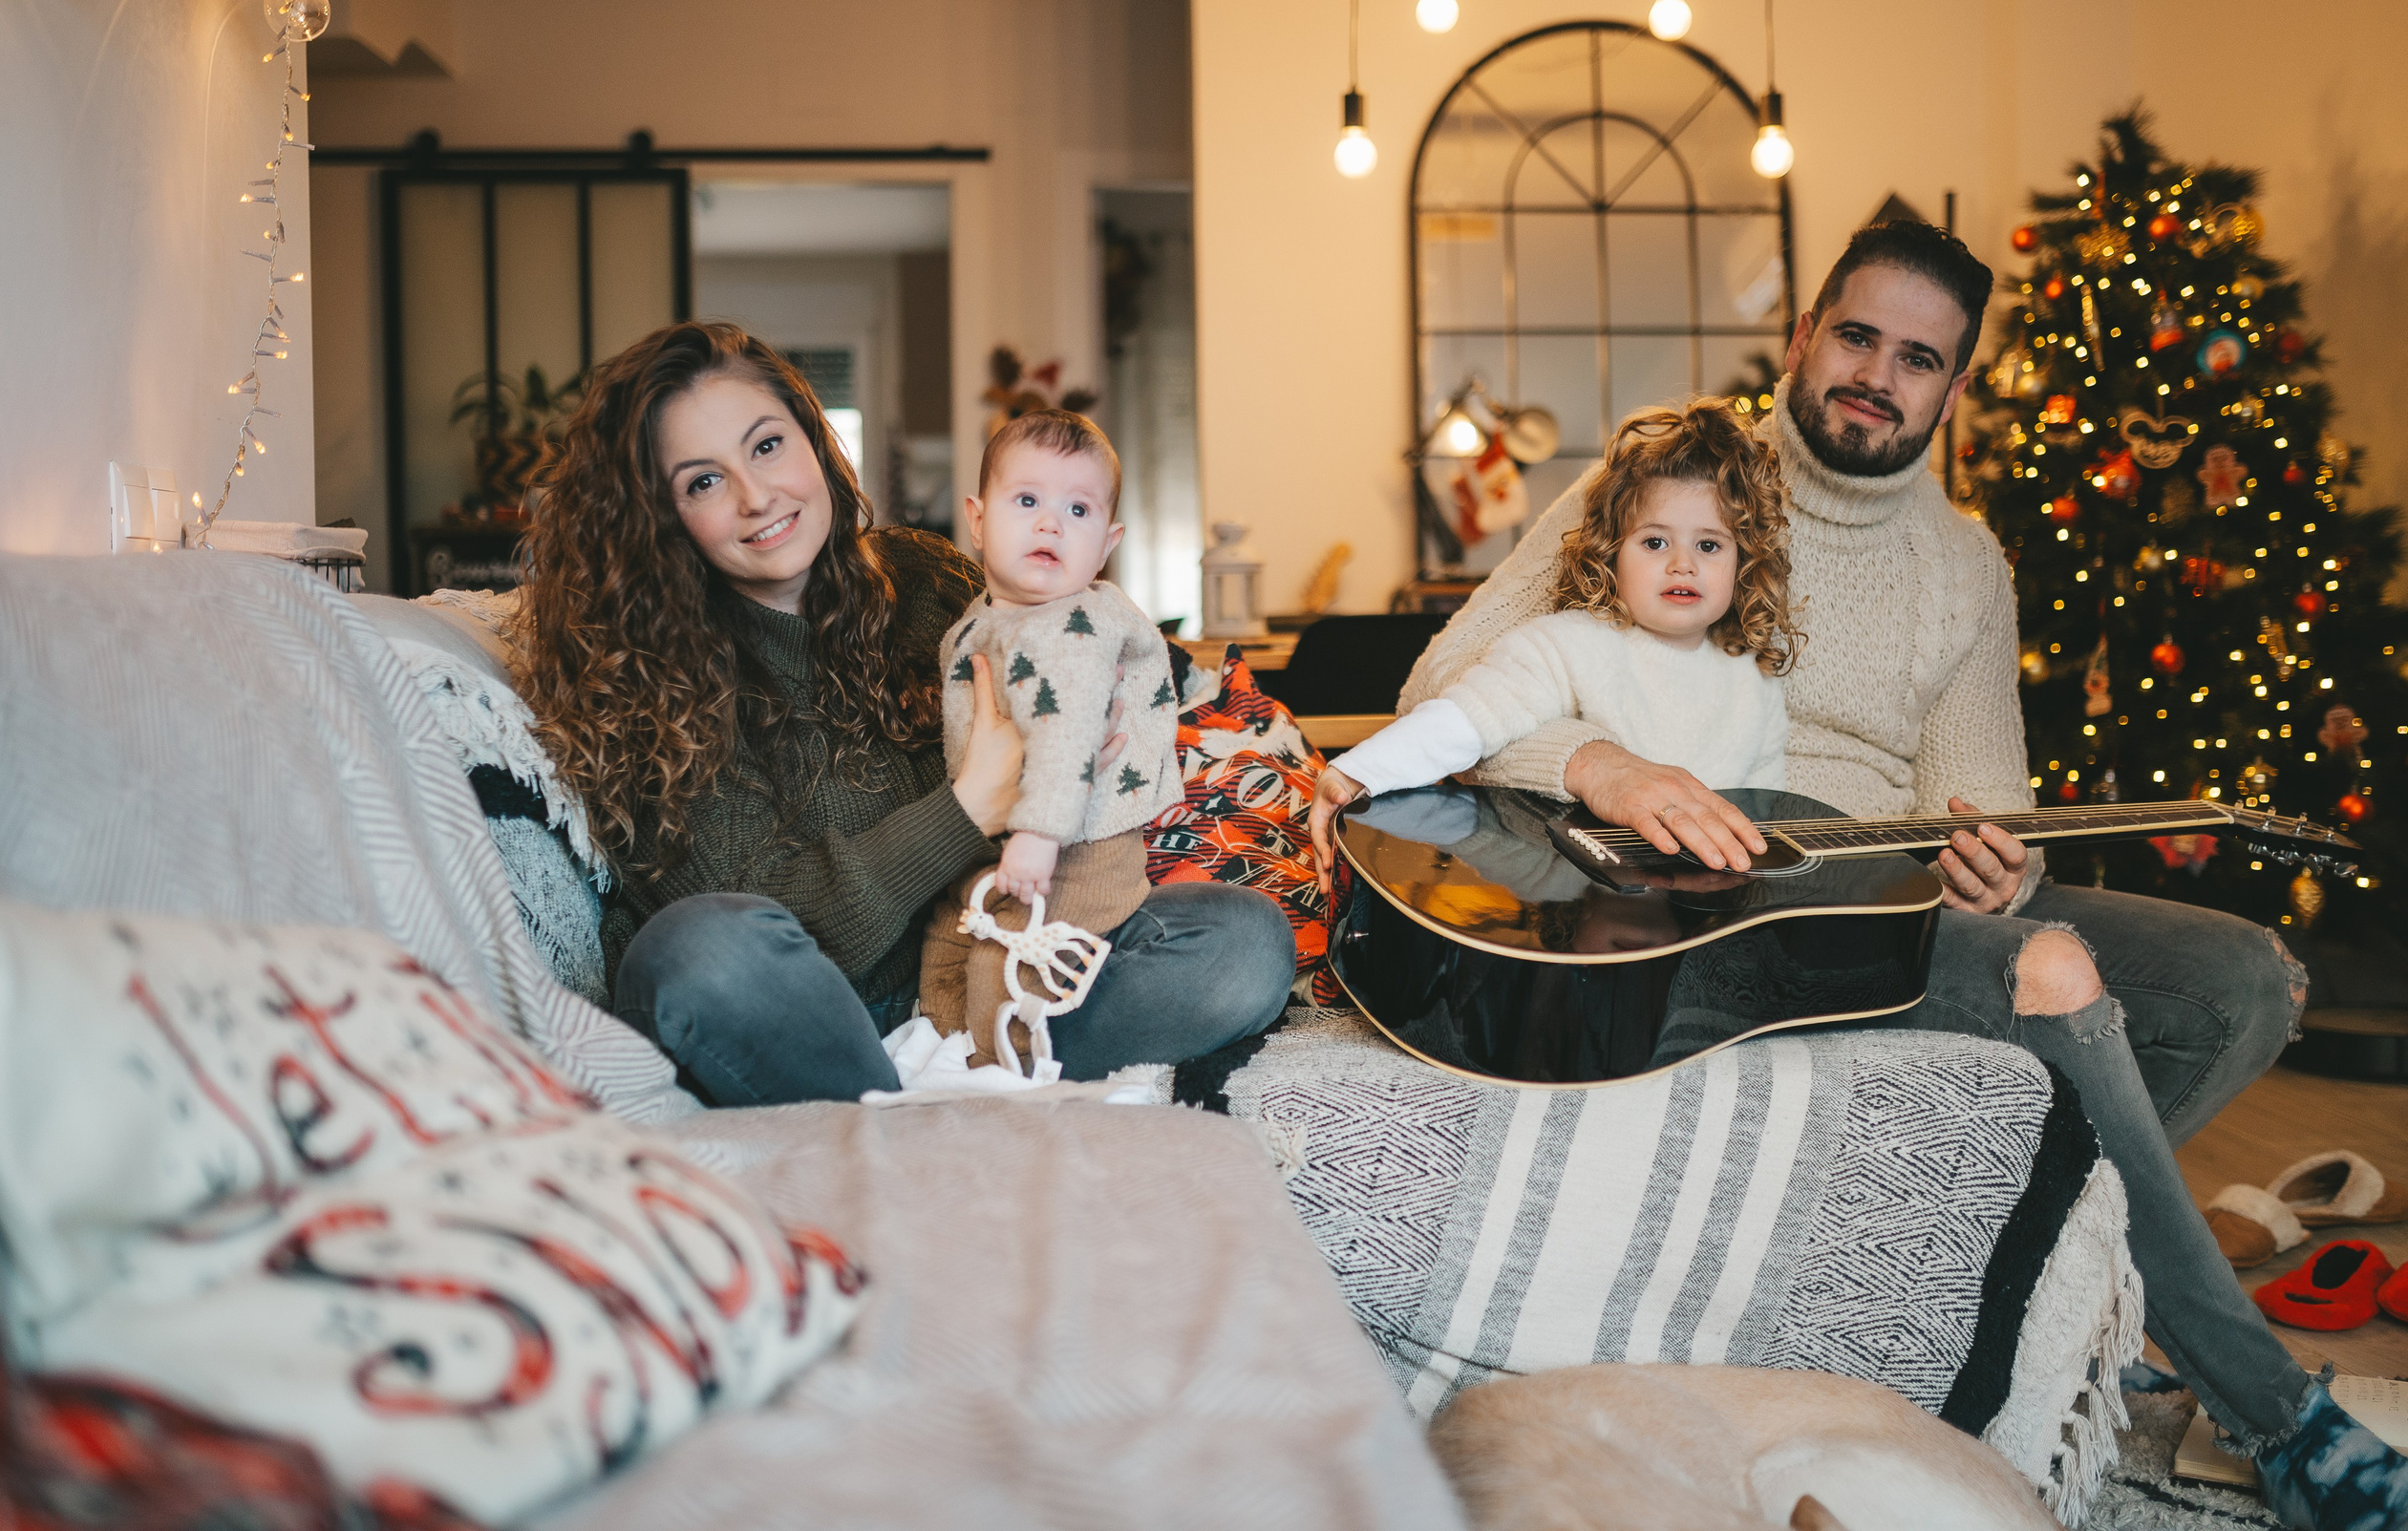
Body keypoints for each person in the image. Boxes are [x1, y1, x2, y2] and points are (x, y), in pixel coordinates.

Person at [1402, 222, 2399, 1529]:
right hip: (1716, 880)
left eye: (1918, 358)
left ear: (1952, 386)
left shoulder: (1964, 563)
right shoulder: (1670, 477)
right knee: (2050, 970)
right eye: (1857, 336)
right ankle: (2282, 1419)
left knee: (2246, 978)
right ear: (1804, 335)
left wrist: (1997, 864)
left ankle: (2038, 1282)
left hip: (1889, 894)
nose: (1878, 375)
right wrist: (1602, 765)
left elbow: (1987, 801)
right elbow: (1439, 685)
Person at [515, 322, 1290, 1106]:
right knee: (693, 953)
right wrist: (970, 806)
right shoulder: (649, 681)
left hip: (992, 969)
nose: (757, 496)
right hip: (831, 1021)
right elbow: (774, 922)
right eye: (703, 482)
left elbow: (1087, 652)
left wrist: (1114, 722)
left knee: (1245, 940)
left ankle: (980, 1067)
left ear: (814, 440)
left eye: (768, 446)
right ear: (660, 516)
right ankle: (907, 1110)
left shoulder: (923, 576)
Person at [1308, 397, 1800, 873]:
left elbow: (1763, 814)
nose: (1682, 563)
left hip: (1712, 899)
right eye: (1655, 541)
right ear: (1611, 553)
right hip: (1587, 896)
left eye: (1709, 545)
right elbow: (1466, 720)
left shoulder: (1754, 679)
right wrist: (1357, 772)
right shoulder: (1567, 646)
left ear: (1744, 562)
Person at [916, 410, 1183, 1074]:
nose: (1050, 524)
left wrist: (1039, 835)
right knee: (947, 944)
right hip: (997, 839)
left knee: (1009, 963)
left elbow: (1069, 736)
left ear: (1107, 542)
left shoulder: (1075, 625)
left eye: (1078, 509)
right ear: (977, 520)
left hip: (1078, 848)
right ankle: (941, 1055)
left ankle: (1005, 1073)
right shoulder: (986, 617)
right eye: (1028, 500)